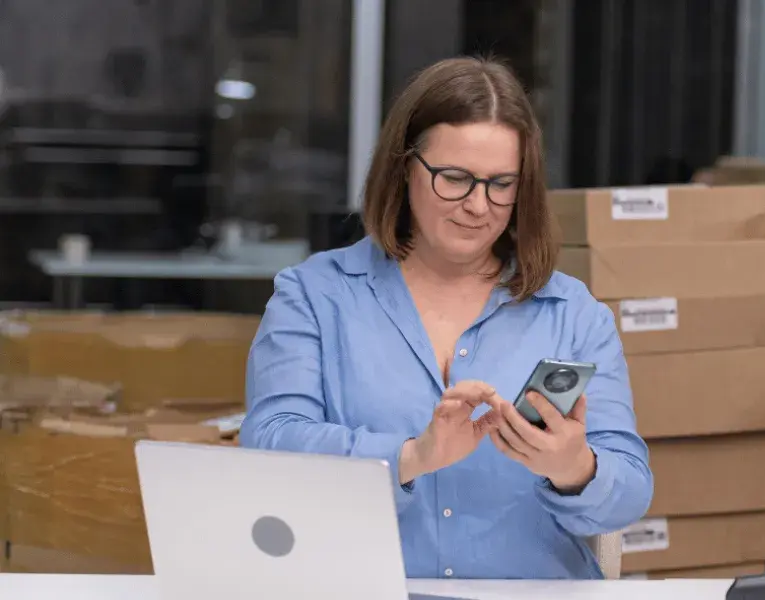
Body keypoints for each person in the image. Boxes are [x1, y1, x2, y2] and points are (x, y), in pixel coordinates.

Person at [242, 56, 653, 580]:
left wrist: (576, 470)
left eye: (502, 183)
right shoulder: (314, 297)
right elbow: (271, 445)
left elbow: (631, 491)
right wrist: (413, 455)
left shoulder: (573, 314)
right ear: (403, 167)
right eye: (454, 178)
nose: (479, 206)